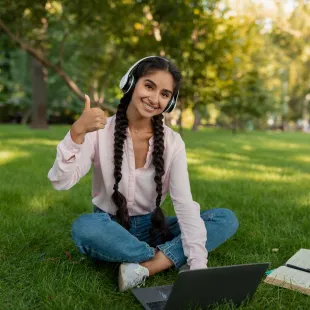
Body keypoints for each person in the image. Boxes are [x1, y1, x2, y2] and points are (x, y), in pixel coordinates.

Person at [48, 56, 239, 292]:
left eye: (165, 94)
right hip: (110, 228)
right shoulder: (99, 132)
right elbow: (61, 181)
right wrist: (77, 132)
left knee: (225, 218)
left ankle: (148, 266)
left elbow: (184, 204)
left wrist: (198, 267)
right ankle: (161, 256)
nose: (154, 99)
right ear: (131, 83)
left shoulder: (172, 142)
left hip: (153, 227)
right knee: (85, 227)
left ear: (170, 102)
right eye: (149, 86)